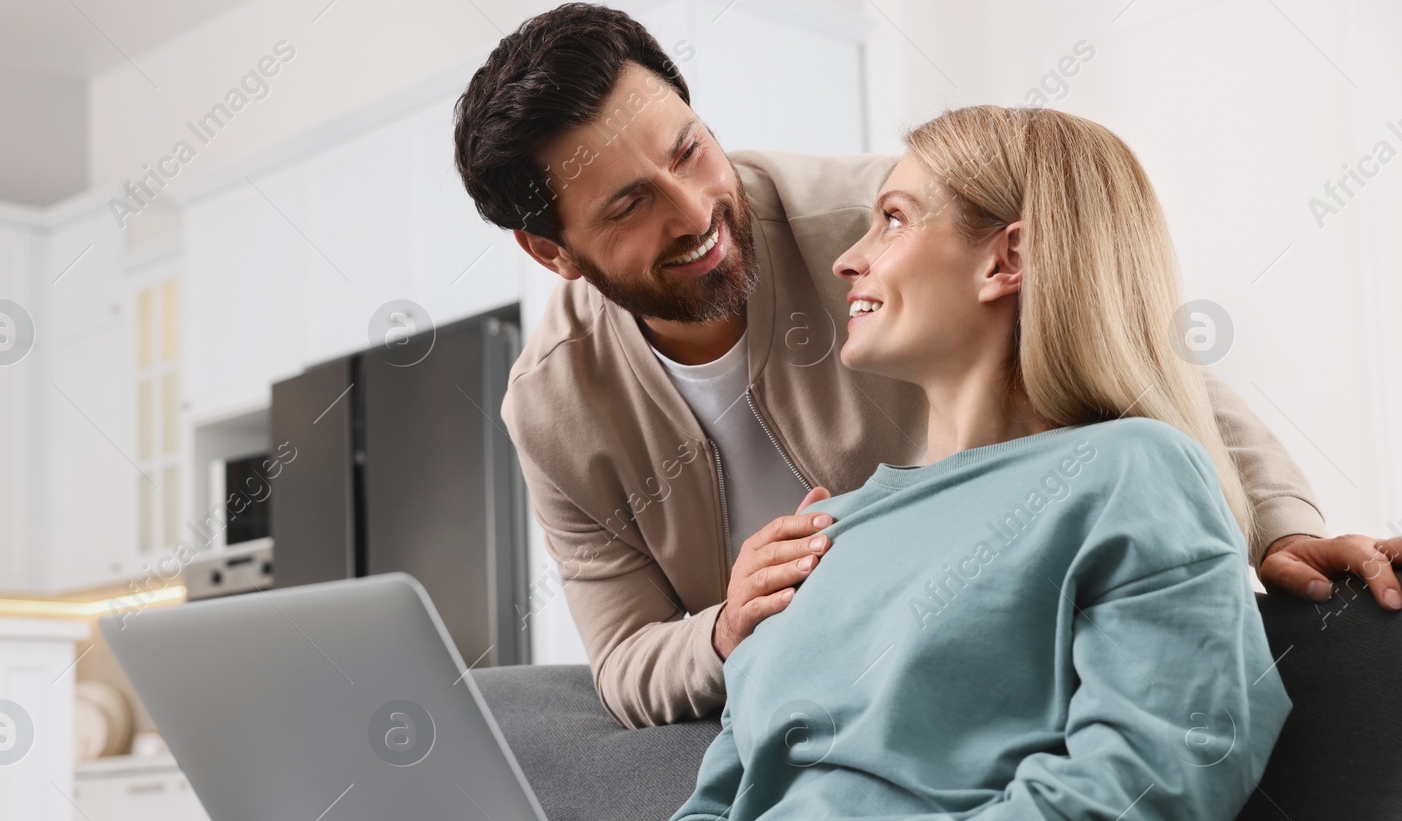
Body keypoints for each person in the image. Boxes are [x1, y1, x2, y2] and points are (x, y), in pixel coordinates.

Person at [54, 104, 1291, 821]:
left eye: (896, 220)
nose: (849, 254)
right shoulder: (827, 526)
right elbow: (731, 798)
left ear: (1006, 257)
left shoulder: (1131, 475)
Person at [454, 3, 1402, 729]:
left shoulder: (883, 221)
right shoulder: (554, 407)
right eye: (627, 205)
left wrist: (1274, 525)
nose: (696, 209)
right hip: (803, 713)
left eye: (690, 150)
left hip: (967, 669)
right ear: (554, 252)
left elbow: (1117, 341)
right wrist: (725, 628)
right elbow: (624, 656)